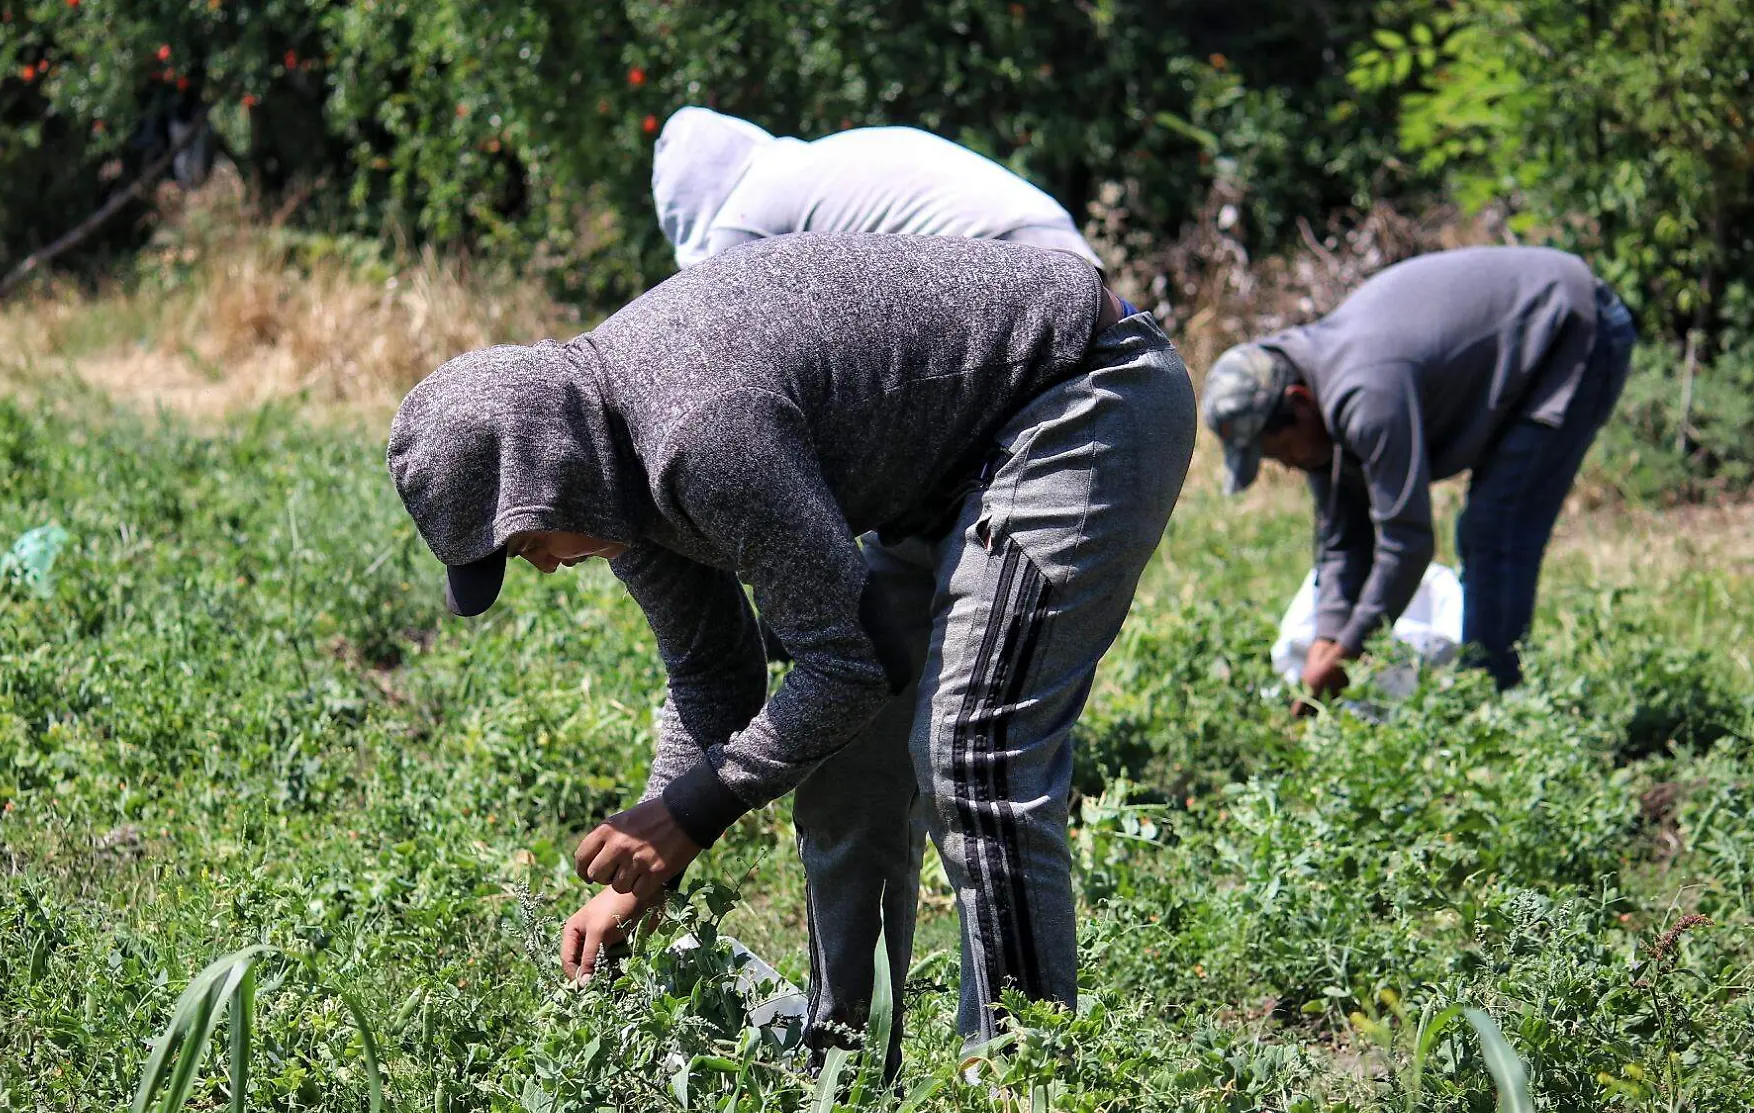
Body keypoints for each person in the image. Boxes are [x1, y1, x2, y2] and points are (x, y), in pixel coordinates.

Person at [386, 233, 1193, 1064]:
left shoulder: (696, 434)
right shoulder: (614, 471)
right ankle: (844, 1071)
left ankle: (1022, 1103)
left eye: (527, 545)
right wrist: (648, 870)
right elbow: (713, 672)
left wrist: (688, 817)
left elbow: (853, 660)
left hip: (1083, 394)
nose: (550, 567)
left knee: (973, 753)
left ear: (547, 471)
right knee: (847, 770)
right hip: (947, 470)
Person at [1202, 245, 1637, 693]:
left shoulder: (1367, 399)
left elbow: (1406, 543)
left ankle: (1492, 704)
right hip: (1528, 337)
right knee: (1488, 528)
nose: (1290, 467)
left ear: (1299, 403)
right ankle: (1486, 688)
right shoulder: (1312, 400)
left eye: (1280, 453)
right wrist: (1326, 638)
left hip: (1573, 330)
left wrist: (1349, 651)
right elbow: (1342, 539)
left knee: (1494, 530)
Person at [651, 106, 1102, 270]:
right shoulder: (804, 167)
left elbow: (723, 353)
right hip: (1053, 244)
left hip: (1007, 263)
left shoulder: (744, 218)